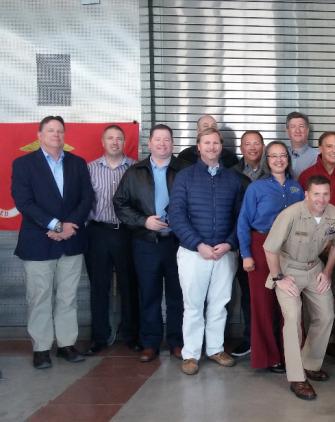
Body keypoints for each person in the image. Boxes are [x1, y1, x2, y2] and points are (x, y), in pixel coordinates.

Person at [11, 115, 94, 369]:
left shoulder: (78, 164)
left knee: (68, 297)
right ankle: (42, 348)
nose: (56, 135)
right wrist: (55, 225)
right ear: (39, 135)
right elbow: (23, 201)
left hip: (70, 239)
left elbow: (86, 197)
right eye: (50, 131)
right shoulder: (24, 164)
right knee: (39, 297)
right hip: (38, 242)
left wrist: (69, 226)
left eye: (60, 131)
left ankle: (66, 344)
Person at [263, 175, 335, 400]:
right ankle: (297, 377)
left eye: (325, 194)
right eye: (316, 194)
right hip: (288, 269)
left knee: (327, 314)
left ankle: (310, 363)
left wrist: (327, 272)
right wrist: (278, 277)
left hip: (314, 269)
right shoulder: (290, 214)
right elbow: (270, 248)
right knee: (293, 319)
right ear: (306, 194)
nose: (321, 199)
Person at [169, 127, 244, 375]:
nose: (211, 147)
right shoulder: (185, 177)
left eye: (215, 143)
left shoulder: (233, 179)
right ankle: (190, 354)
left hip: (224, 253)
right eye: (206, 143)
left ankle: (215, 349)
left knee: (219, 304)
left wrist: (230, 244)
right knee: (193, 304)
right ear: (198, 147)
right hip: (193, 253)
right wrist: (198, 244)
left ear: (221, 147)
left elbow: (240, 218)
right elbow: (176, 215)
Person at [113, 124, 188, 363]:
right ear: (150, 143)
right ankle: (150, 343)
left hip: (178, 244)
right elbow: (120, 204)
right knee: (149, 293)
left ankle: (177, 342)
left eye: (167, 140)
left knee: (178, 295)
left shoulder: (185, 171)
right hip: (146, 243)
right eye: (158, 140)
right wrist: (144, 221)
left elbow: (195, 204)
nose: (163, 144)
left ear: (173, 144)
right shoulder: (135, 172)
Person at [237, 141, 304, 373]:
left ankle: (291, 355)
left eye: (283, 155)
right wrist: (246, 255)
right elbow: (243, 222)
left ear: (288, 159)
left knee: (289, 304)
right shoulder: (256, 187)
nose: (278, 160)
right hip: (261, 247)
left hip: (291, 249)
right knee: (263, 305)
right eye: (273, 156)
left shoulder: (297, 188)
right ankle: (269, 357)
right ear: (267, 160)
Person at [298, 131, 335, 355]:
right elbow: (300, 213)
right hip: (310, 248)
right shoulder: (306, 175)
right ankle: (308, 339)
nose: (334, 150)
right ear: (320, 149)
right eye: (329, 146)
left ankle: (328, 339)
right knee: (309, 292)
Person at [83, 125, 139, 356]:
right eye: (110, 138)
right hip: (98, 232)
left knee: (130, 286)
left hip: (127, 233)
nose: (115, 142)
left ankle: (131, 335)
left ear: (124, 142)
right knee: (99, 287)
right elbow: (82, 201)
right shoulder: (90, 168)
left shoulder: (135, 168)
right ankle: (99, 337)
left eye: (119, 138)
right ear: (103, 142)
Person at [227, 129, 266, 358]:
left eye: (256, 143)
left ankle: (267, 339)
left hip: (266, 243)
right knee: (246, 294)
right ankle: (250, 339)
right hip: (240, 242)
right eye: (247, 144)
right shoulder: (232, 173)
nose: (252, 148)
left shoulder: (272, 172)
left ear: (262, 146)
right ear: (241, 148)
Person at [284, 111, 317, 179]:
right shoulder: (280, 155)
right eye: (293, 126)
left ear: (307, 130)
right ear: (287, 131)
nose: (297, 131)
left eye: (301, 126)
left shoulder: (317, 157)